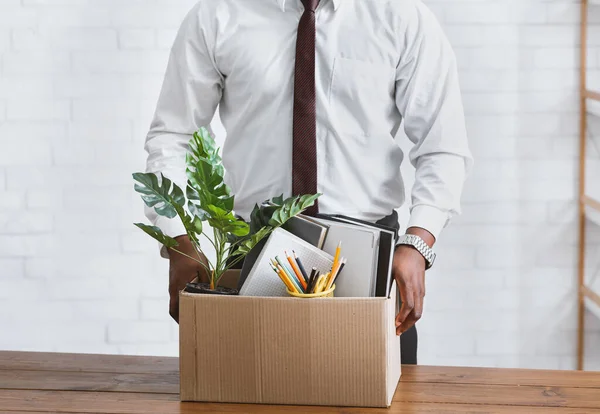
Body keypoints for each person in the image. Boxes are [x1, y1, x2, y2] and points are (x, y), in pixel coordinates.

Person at [143, 0, 472, 365]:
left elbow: (443, 147)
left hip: (367, 254)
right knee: (242, 397)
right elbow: (173, 136)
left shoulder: (401, 16)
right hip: (250, 250)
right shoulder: (218, 15)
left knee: (378, 398)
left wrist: (417, 243)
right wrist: (179, 241)